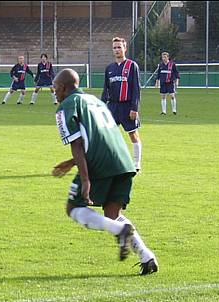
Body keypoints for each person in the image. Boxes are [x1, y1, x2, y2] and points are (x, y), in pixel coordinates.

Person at [52, 68, 158, 275]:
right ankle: (147, 257)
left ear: (64, 88)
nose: (54, 93)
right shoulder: (94, 101)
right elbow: (100, 138)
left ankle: (121, 231)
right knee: (113, 213)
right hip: (124, 161)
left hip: (99, 165)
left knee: (73, 208)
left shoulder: (67, 106)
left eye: (55, 88)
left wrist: (85, 179)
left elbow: (78, 144)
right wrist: (72, 162)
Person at [101, 37, 143, 172]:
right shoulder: (109, 68)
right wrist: (101, 107)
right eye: (114, 48)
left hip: (127, 106)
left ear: (125, 48)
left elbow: (136, 88)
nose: (117, 50)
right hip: (112, 107)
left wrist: (134, 108)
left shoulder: (132, 66)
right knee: (107, 135)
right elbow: (105, 89)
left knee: (133, 134)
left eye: (119, 47)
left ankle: (136, 164)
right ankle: (112, 162)